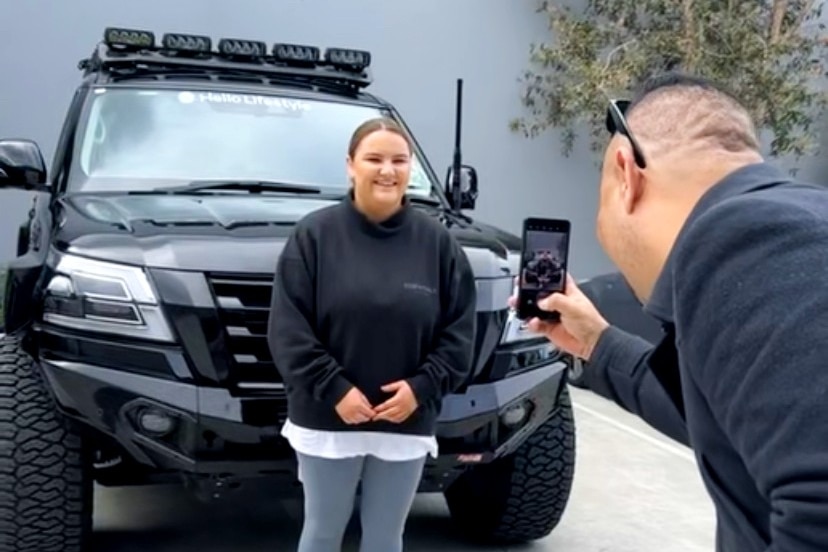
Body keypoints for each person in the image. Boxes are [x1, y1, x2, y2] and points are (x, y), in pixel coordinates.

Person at [515, 72, 828, 551]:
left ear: (627, 174)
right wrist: (597, 342)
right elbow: (713, 423)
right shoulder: (799, 221)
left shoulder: (746, 235)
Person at [267, 116, 477, 552]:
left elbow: (459, 334)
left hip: (405, 419)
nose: (388, 170)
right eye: (374, 159)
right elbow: (288, 330)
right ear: (350, 165)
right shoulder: (314, 237)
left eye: (399, 160)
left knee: (385, 536)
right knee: (323, 531)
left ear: (411, 168)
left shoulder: (438, 244)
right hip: (328, 416)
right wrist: (335, 389)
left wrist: (421, 389)